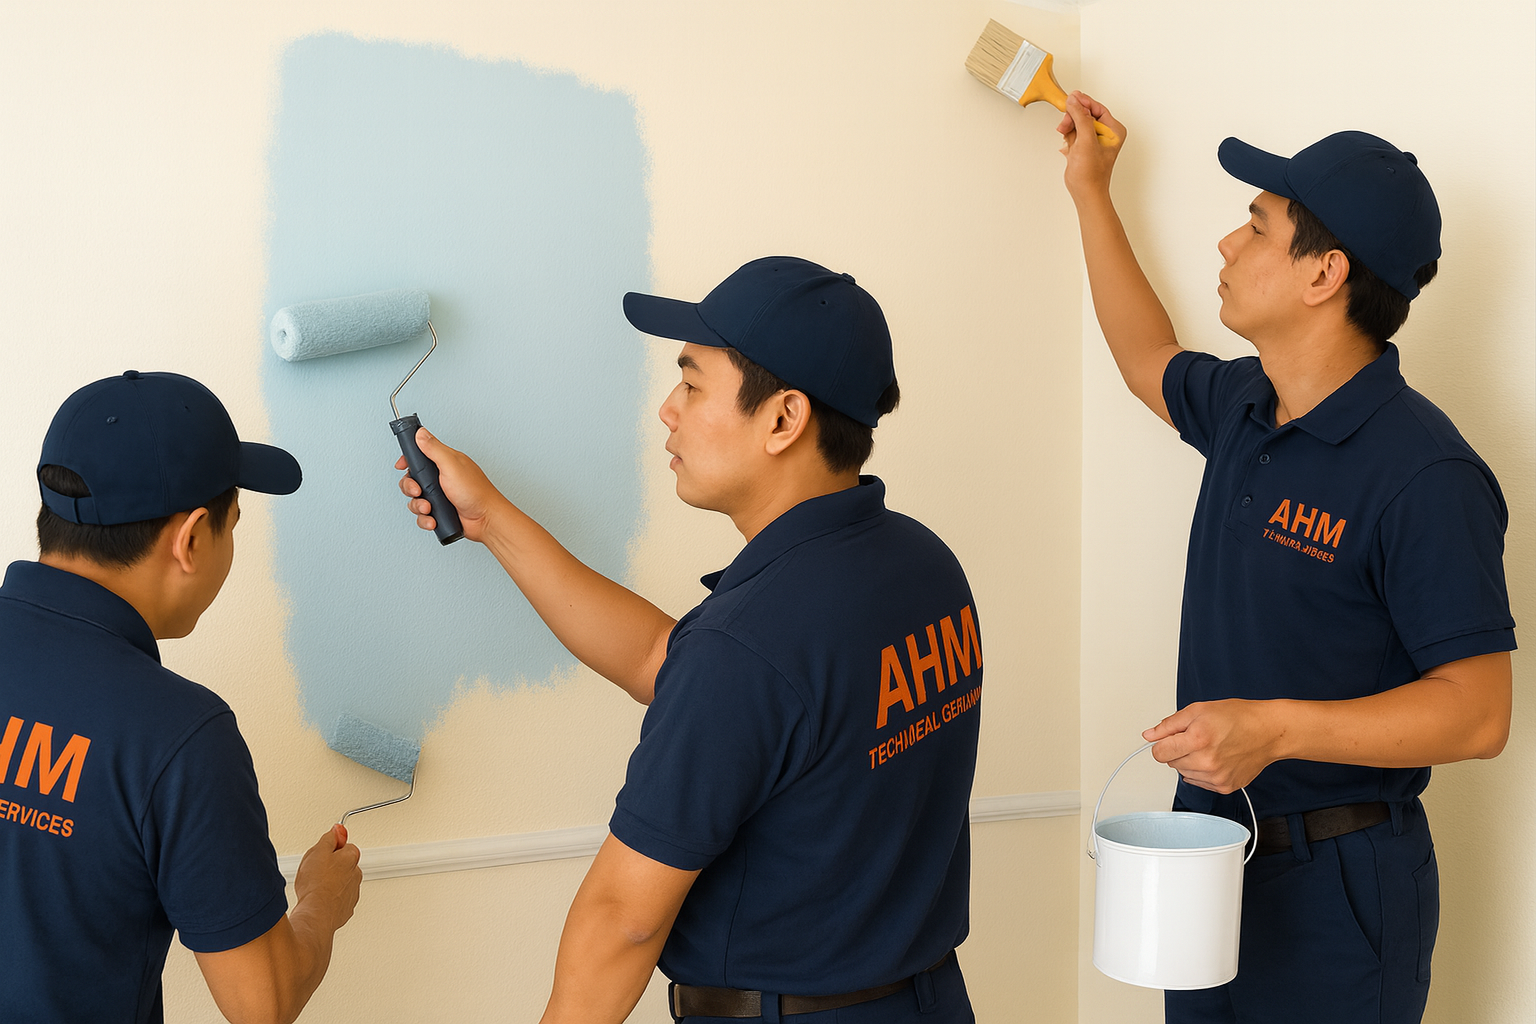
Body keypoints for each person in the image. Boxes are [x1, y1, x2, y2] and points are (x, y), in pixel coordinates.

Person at [397, 256, 984, 1023]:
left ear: (784, 419)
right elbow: (665, 662)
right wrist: (492, 520)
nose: (668, 410)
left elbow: (623, 920)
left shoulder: (748, 648)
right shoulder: (924, 567)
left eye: (693, 385)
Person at [1057, 94, 1514, 1023]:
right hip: (1209, 851)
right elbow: (1146, 355)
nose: (1228, 243)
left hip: (1339, 886)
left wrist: (1273, 730)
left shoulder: (1425, 473)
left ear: (1324, 274)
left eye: (1258, 226)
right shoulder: (1245, 405)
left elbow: (1479, 714)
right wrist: (1091, 190)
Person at [0, 370, 363, 1024]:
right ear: (191, 539)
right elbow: (263, 1002)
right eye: (233, 525)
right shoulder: (180, 737)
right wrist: (320, 903)